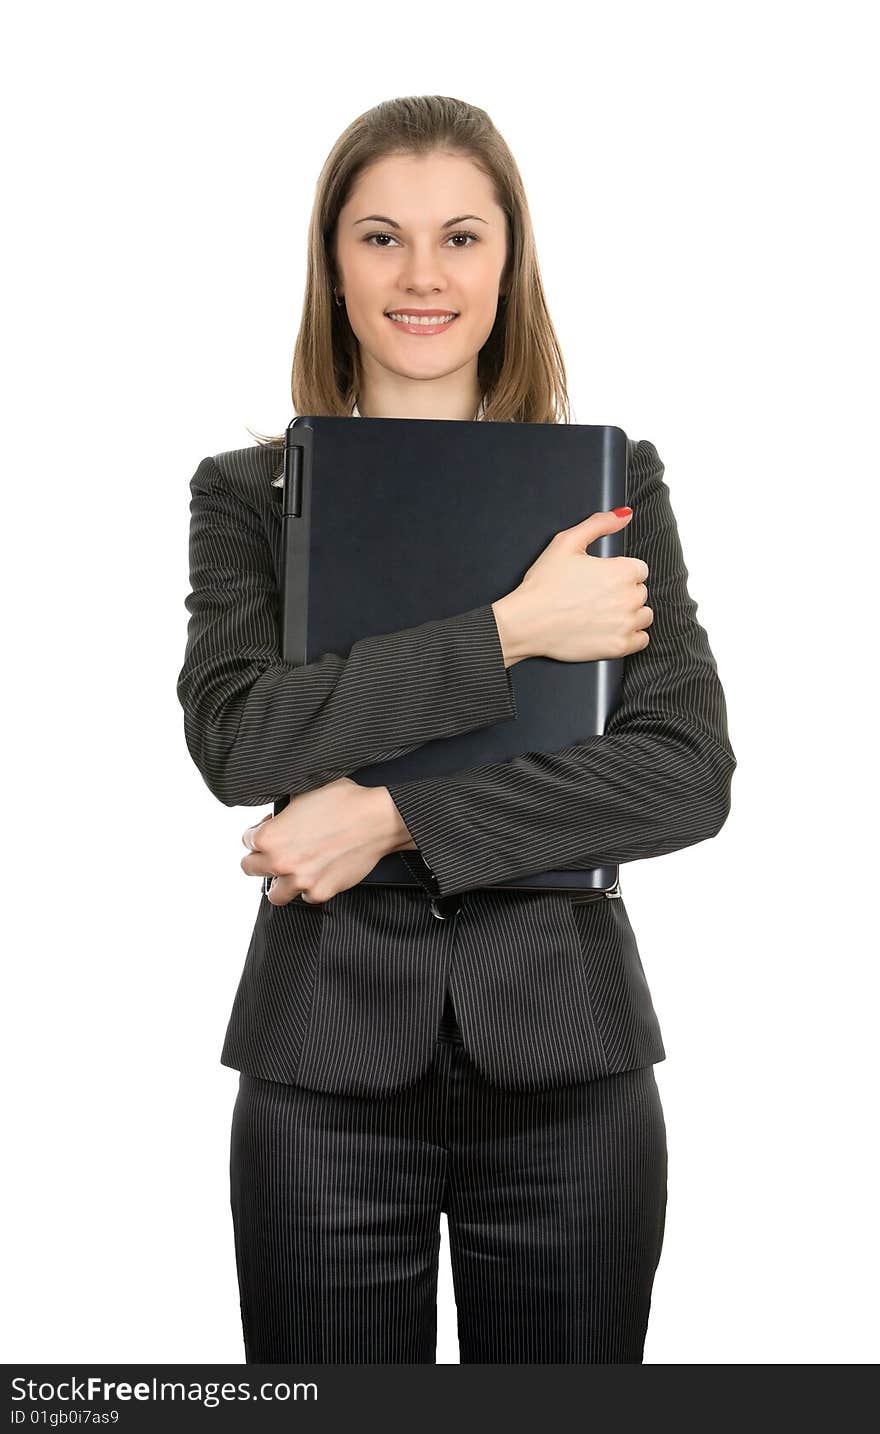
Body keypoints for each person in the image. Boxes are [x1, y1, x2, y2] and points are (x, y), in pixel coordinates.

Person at [176, 94, 737, 1365]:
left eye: (460, 237)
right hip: (323, 1071)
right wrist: (512, 633)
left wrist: (387, 814)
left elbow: (681, 775)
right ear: (332, 262)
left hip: (569, 1073)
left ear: (508, 260)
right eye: (380, 237)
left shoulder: (607, 486)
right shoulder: (249, 497)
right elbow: (243, 743)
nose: (421, 275)